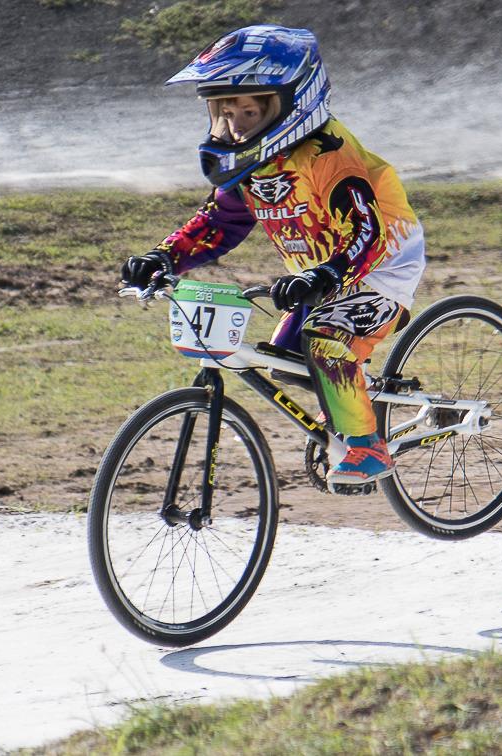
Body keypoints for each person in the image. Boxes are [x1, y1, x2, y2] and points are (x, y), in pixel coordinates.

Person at [120, 24, 426, 490]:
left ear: (289, 101)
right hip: (322, 275)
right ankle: (348, 399)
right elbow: (219, 223)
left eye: (248, 109)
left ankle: (367, 447)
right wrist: (162, 257)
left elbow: (368, 232)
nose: (236, 123)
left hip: (380, 268)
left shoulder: (327, 154)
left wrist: (324, 275)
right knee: (286, 357)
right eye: (225, 111)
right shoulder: (252, 162)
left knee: (323, 340)